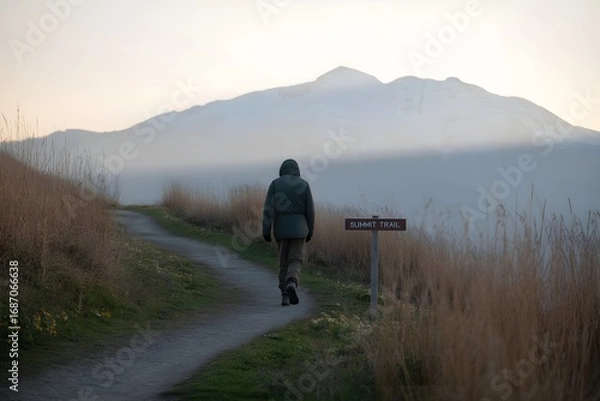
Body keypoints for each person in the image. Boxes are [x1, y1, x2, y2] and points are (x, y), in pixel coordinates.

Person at [262, 159, 315, 306]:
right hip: (300, 229)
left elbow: (268, 210)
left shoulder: (275, 184)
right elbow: (310, 211)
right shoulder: (304, 184)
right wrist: (310, 230)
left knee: (283, 262)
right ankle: (292, 282)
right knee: (296, 260)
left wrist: (266, 230)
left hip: (281, 229)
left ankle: (284, 295)